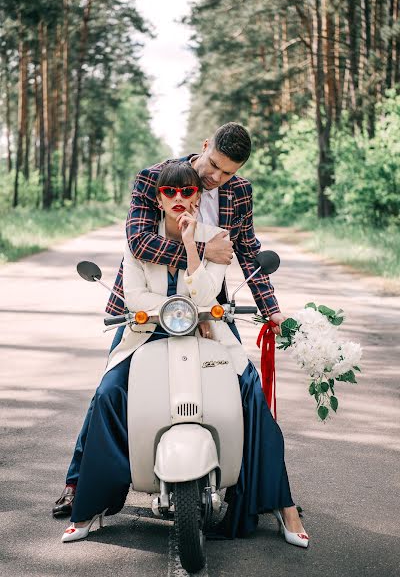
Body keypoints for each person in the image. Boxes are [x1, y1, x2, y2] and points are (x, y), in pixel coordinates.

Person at [60, 161, 308, 547]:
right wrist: (183, 307)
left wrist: (194, 247)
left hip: (210, 332)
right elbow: (137, 295)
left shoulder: (214, 239)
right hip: (145, 331)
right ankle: (90, 503)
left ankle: (279, 502)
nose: (179, 199)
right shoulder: (140, 237)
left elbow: (209, 296)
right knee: (109, 392)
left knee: (251, 393)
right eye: (170, 193)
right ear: (158, 199)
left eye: (187, 192)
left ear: (198, 197)